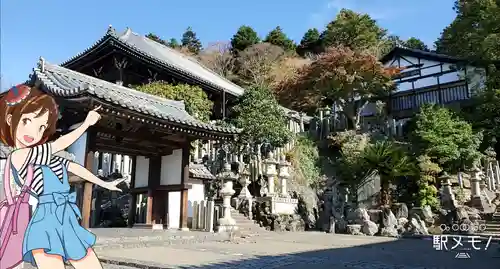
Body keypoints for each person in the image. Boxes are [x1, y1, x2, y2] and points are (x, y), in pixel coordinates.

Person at [0, 84, 123, 269]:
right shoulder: (18, 155)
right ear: (10, 120)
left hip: (67, 219)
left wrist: (105, 183)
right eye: (27, 121)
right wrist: (86, 124)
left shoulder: (43, 156)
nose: (33, 133)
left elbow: (72, 166)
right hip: (44, 221)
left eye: (41, 127)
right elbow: (59, 144)